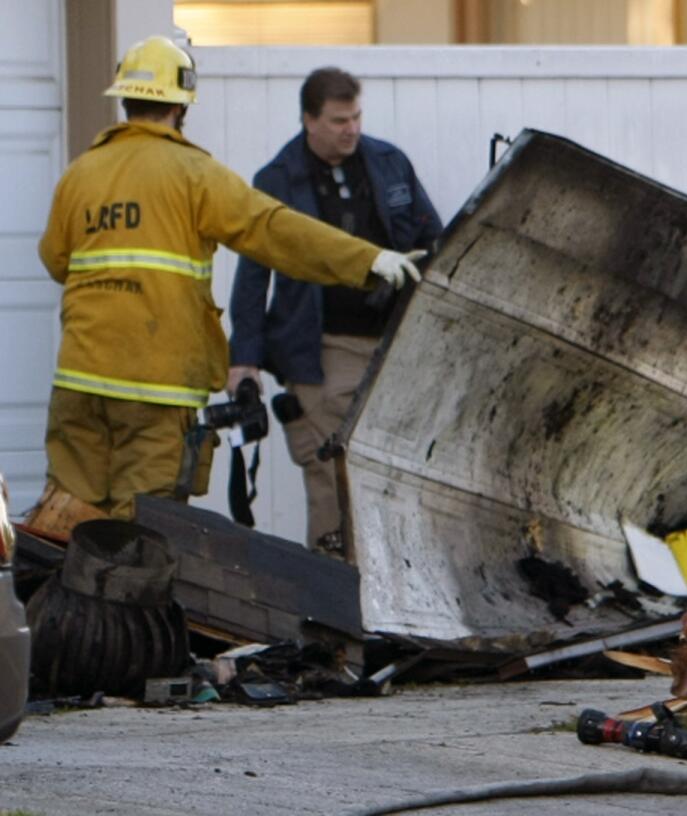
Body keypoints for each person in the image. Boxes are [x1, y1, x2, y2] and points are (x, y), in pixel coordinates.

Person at [36, 36, 424, 523]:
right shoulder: (194, 174)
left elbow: (56, 261)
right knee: (139, 533)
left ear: (125, 99)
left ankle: (67, 602)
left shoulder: (80, 174)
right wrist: (366, 260)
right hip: (155, 393)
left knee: (67, 523)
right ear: (181, 107)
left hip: (79, 386)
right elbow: (274, 231)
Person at [227, 67, 442, 555]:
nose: (351, 128)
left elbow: (433, 239)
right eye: (339, 119)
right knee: (329, 475)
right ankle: (334, 597)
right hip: (320, 349)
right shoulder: (277, 180)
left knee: (393, 475)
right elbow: (253, 276)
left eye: (357, 117)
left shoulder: (389, 163)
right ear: (310, 120)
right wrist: (244, 359)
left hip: (392, 346)